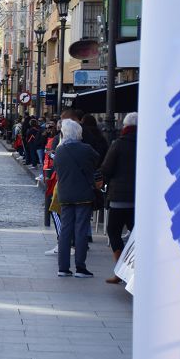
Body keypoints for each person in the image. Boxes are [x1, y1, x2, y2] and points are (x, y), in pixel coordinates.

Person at [53, 119, 101, 278]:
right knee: (80, 230)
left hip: (65, 194)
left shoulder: (59, 150)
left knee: (65, 230)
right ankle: (80, 267)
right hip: (83, 194)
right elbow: (97, 160)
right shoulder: (86, 149)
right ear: (78, 133)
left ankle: (63, 267)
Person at [100, 112, 137, 283]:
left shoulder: (118, 144)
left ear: (125, 126)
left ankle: (120, 271)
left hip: (119, 198)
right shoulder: (148, 143)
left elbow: (106, 168)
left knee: (114, 232)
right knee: (137, 234)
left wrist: (103, 182)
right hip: (140, 199)